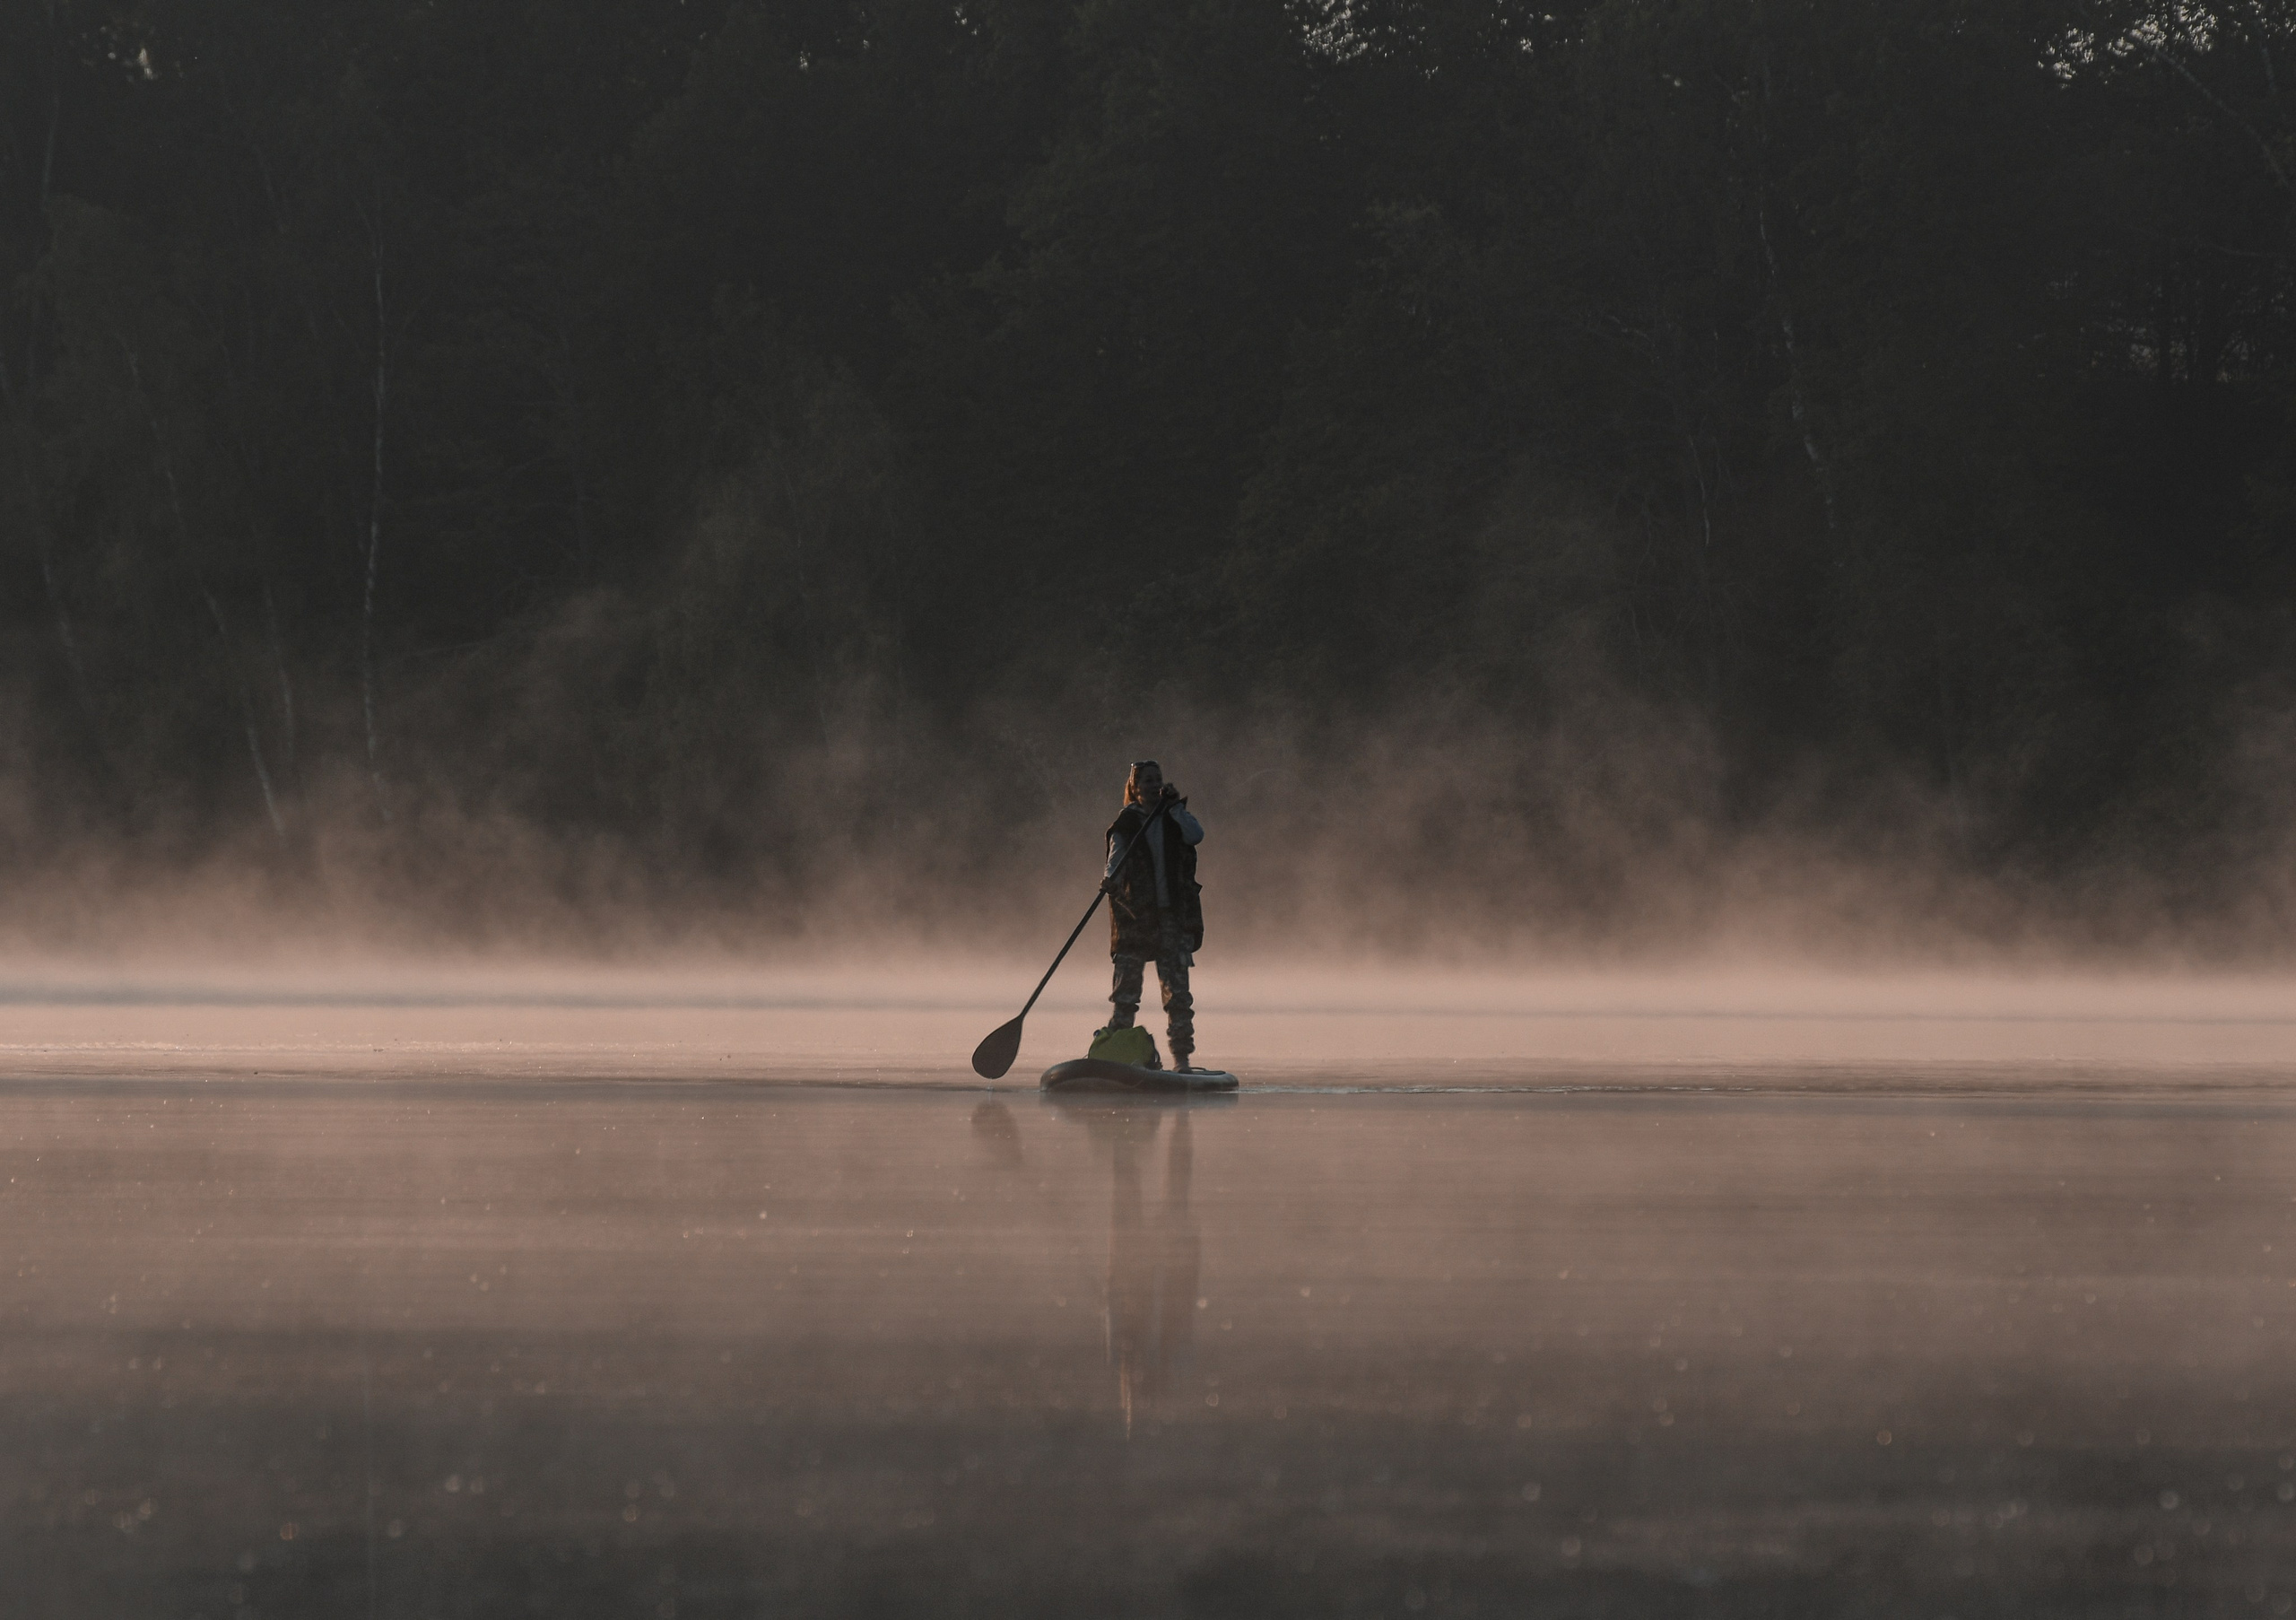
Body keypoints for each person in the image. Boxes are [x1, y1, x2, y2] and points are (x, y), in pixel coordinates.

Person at [1099, 760, 1205, 1070]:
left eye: (1157, 779)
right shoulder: (1127, 823)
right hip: (1134, 917)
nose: (1153, 785)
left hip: (1172, 918)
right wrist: (1110, 879)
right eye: (1146, 780)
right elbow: (1115, 859)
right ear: (1135, 787)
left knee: (1178, 996)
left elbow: (1196, 835)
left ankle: (1181, 1060)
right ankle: (1116, 1054)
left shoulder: (1175, 817)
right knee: (1125, 994)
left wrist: (1174, 809)